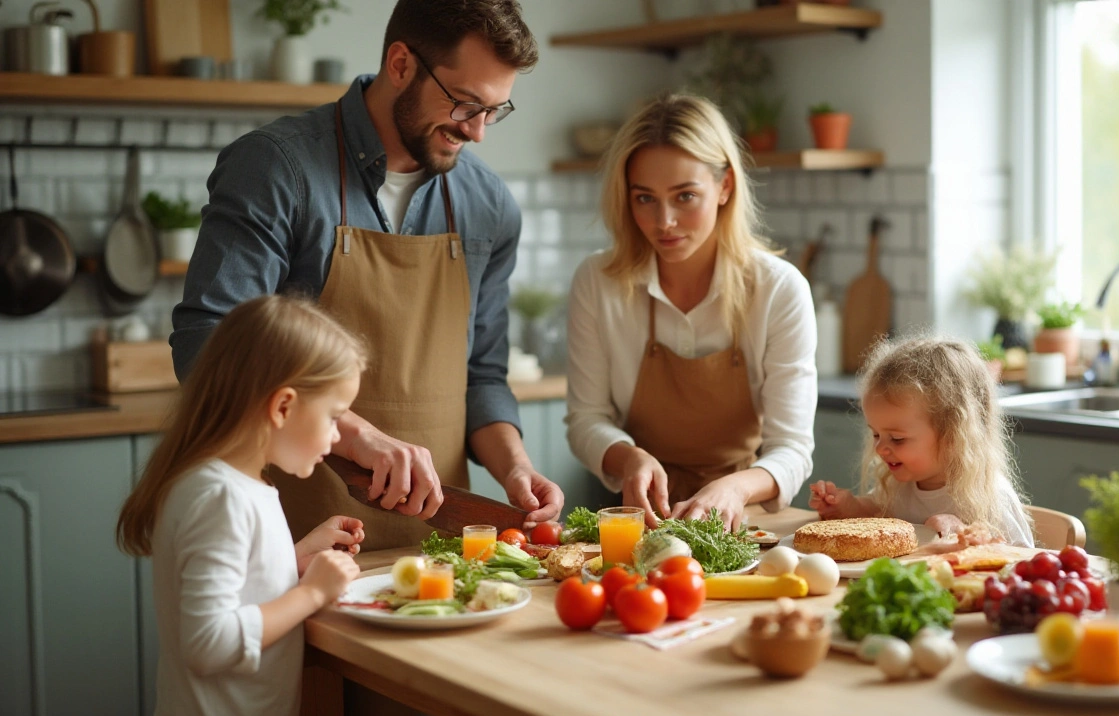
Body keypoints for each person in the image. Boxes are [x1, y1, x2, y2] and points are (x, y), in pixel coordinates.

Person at [169, 0, 563, 549]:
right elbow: (208, 347)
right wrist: (358, 437)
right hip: (294, 542)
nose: (477, 133)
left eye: (494, 110)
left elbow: (481, 376)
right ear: (400, 64)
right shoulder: (276, 169)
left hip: (446, 549)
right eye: (465, 104)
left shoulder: (488, 203)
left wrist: (514, 466)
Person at [566, 93, 818, 531]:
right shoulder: (597, 281)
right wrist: (629, 459)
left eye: (685, 196)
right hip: (639, 515)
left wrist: (735, 488)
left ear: (725, 187)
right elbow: (586, 420)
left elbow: (792, 448)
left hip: (741, 518)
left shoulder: (778, 289)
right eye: (645, 198)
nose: (664, 221)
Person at [117, 295, 366, 716]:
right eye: (333, 417)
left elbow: (237, 587)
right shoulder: (219, 498)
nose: (336, 437)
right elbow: (208, 644)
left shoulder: (235, 486)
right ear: (283, 406)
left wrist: (296, 558)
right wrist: (310, 593)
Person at [808, 335, 1036, 547]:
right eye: (876, 434)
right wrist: (849, 507)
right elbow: (878, 510)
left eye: (897, 439)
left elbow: (1024, 565)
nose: (880, 448)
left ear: (953, 436)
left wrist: (965, 533)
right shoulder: (899, 484)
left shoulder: (990, 497)